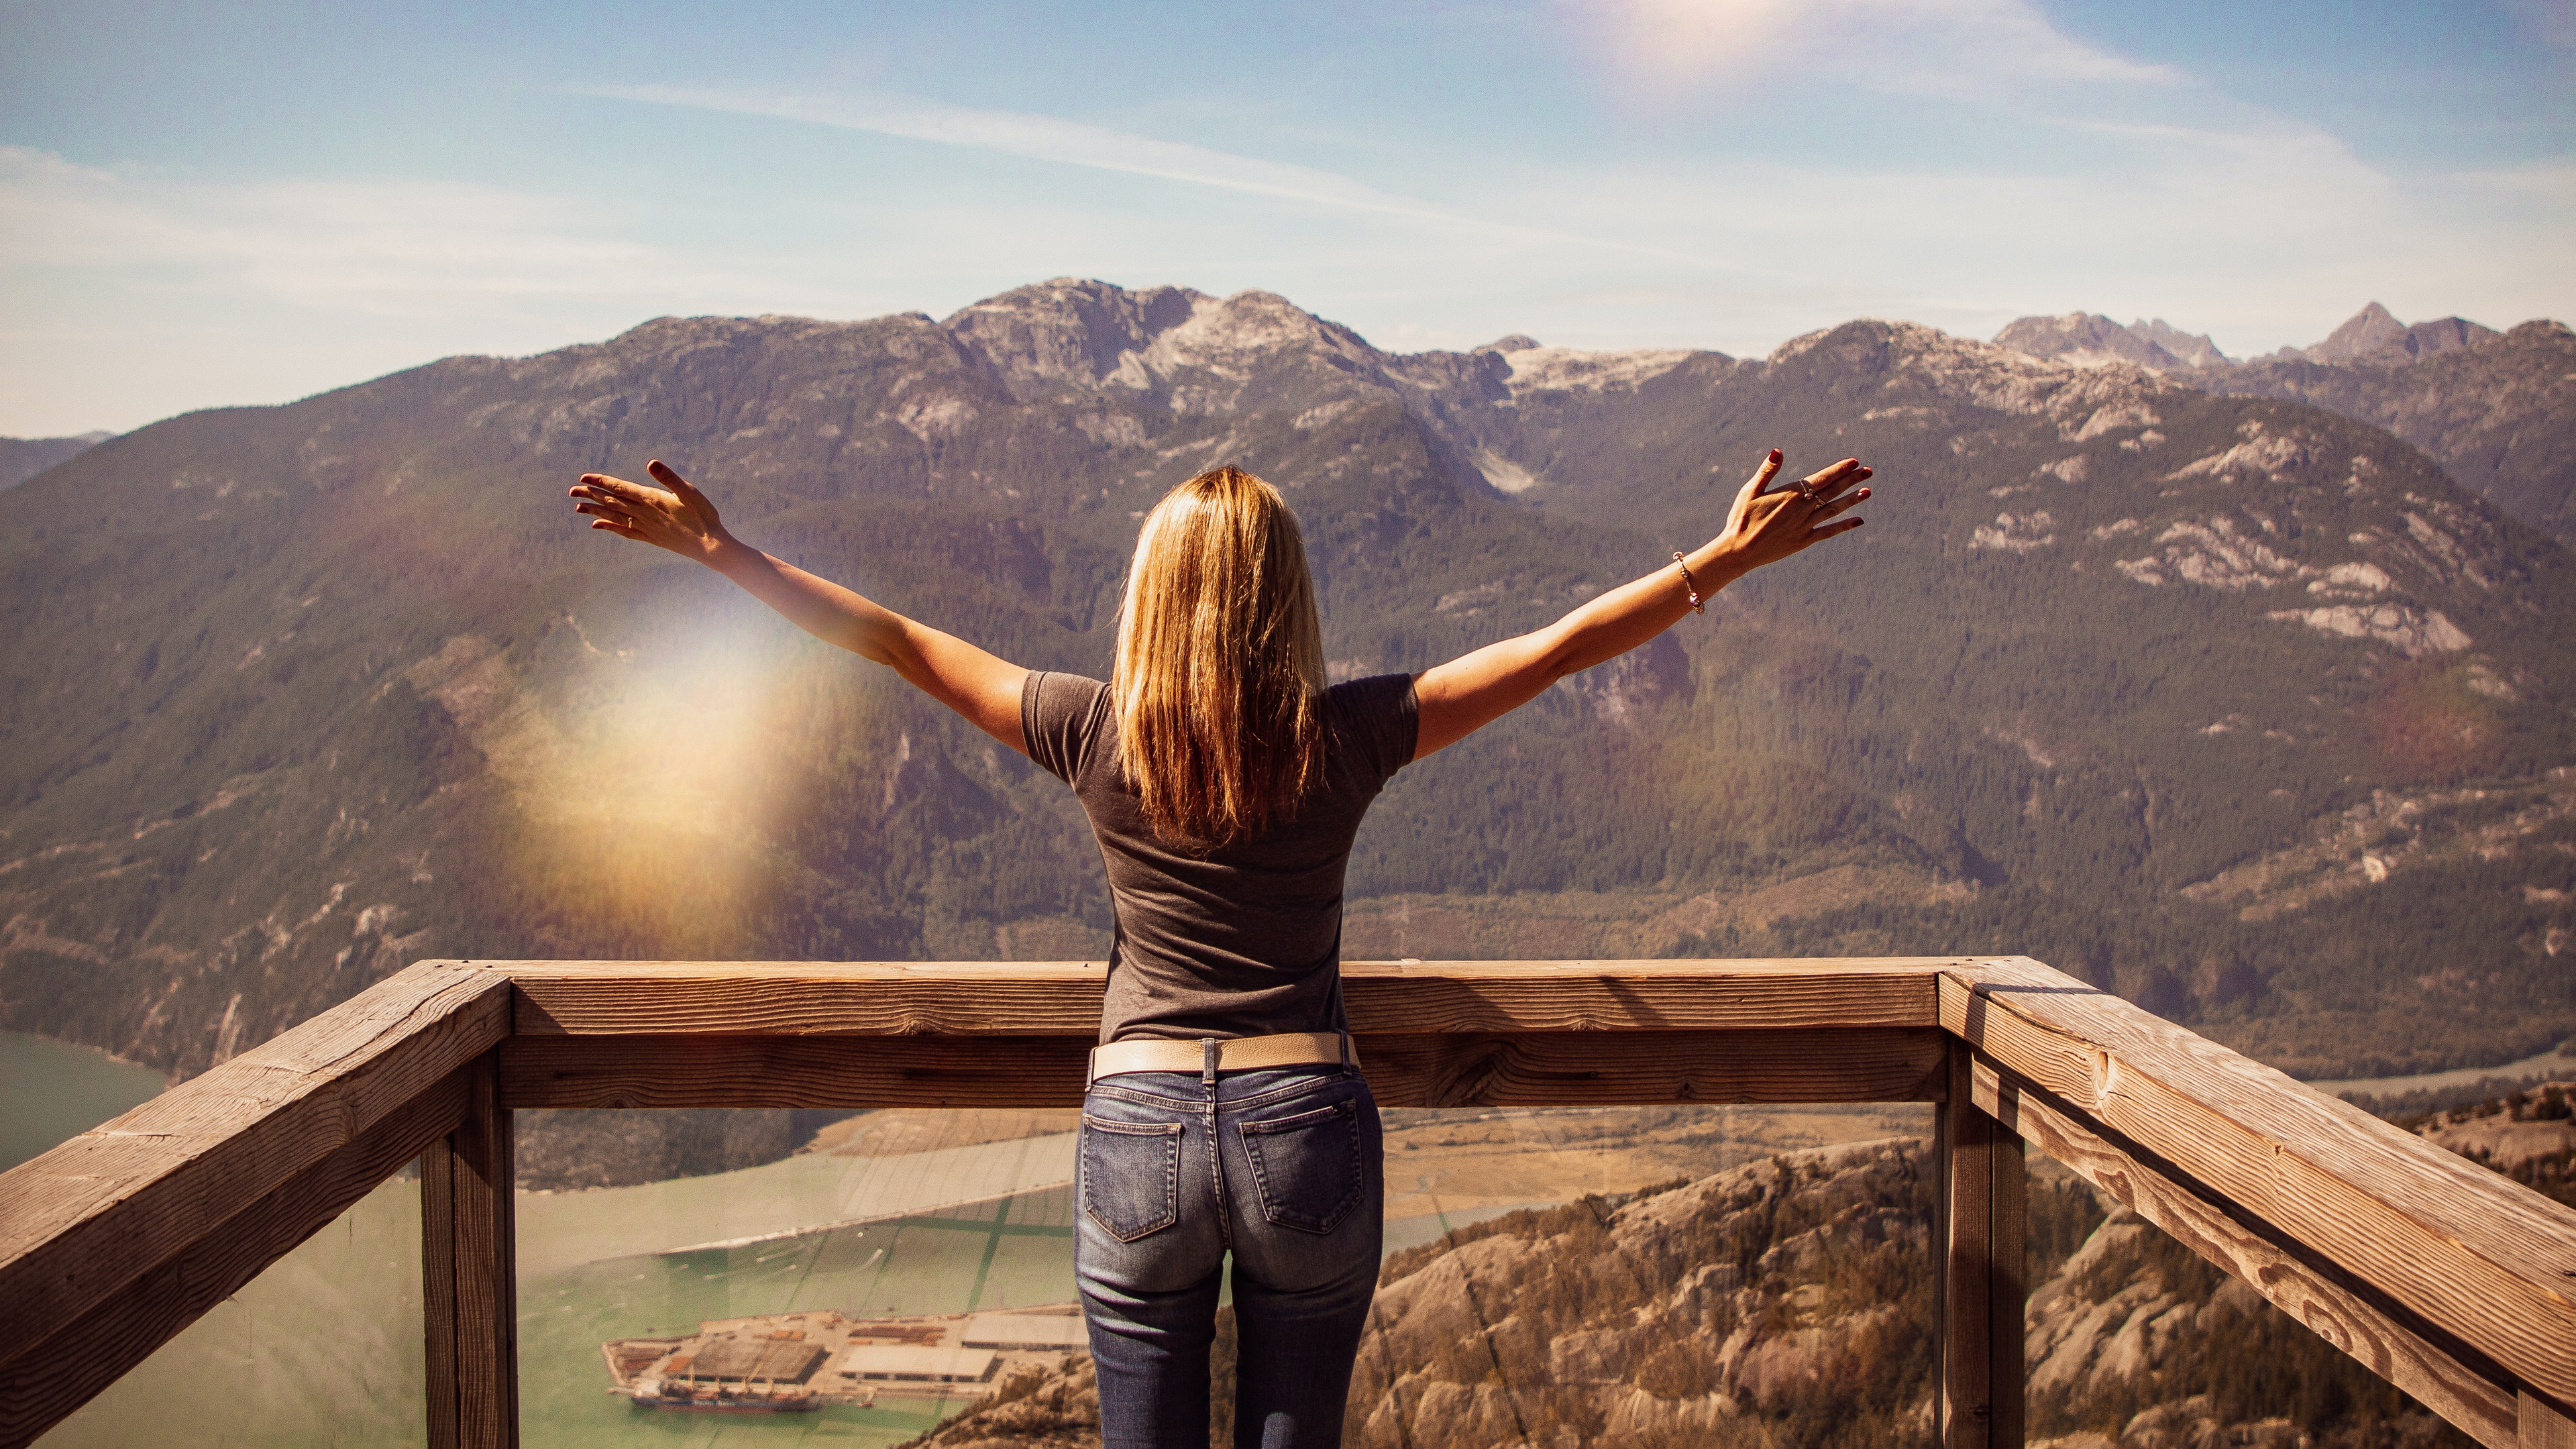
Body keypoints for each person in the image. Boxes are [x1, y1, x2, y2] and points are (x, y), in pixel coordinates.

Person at [567, 447, 1872, 1448]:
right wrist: (1718, 563)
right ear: (1288, 598)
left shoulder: (1090, 731)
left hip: (1137, 1123)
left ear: (1150, 594)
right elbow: (1556, 649)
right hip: (1304, 1115)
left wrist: (725, 553)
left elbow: (895, 639)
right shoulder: (1352, 733)